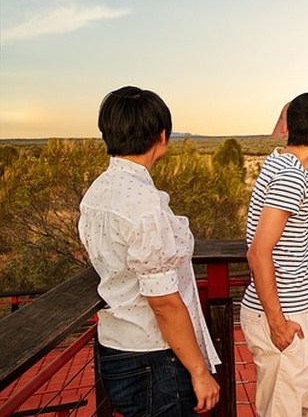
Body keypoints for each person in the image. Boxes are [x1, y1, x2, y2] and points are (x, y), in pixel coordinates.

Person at [78, 86, 220, 416]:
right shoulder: (142, 204)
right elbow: (164, 302)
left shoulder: (98, 192)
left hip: (115, 346)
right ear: (162, 136)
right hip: (155, 357)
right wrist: (199, 371)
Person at [240, 91, 308, 417]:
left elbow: (296, 229)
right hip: (283, 317)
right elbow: (258, 252)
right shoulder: (290, 177)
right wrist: (278, 324)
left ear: (288, 126)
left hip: (299, 316)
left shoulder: (283, 165)